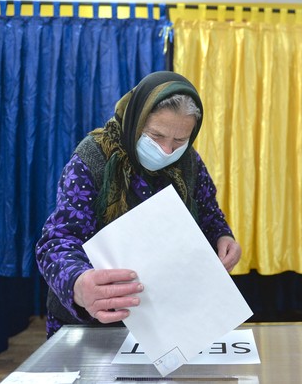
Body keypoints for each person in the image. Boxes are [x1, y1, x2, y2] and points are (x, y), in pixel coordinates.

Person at [35, 71, 241, 338]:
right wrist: (78, 282)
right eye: (156, 136)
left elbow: (208, 214)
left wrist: (223, 236)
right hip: (97, 320)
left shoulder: (188, 162)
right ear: (135, 121)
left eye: (179, 140)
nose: (167, 150)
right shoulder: (93, 158)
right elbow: (58, 239)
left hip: (165, 317)